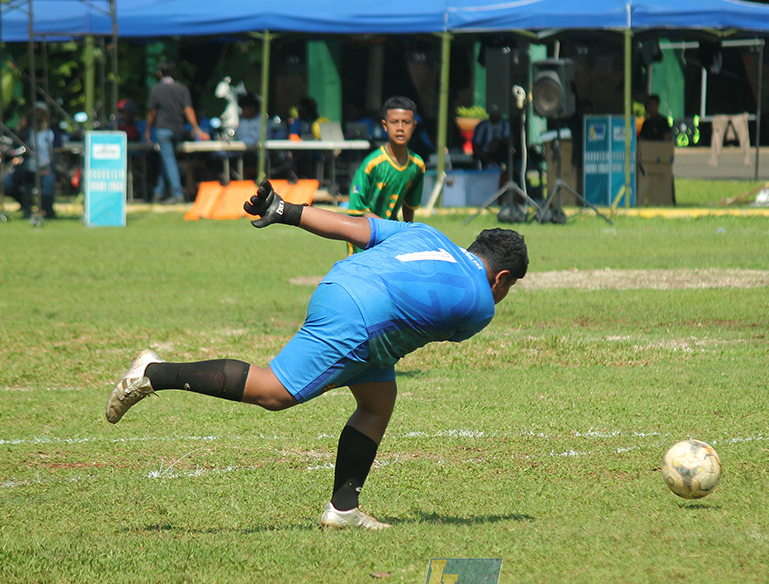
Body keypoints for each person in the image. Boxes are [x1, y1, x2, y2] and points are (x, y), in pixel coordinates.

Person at [105, 180, 528, 531]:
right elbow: (425, 329)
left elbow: (353, 228)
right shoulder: (481, 305)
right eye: (508, 288)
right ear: (502, 278)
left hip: (341, 285)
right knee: (273, 391)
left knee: (377, 404)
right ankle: (154, 371)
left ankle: (343, 509)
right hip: (362, 317)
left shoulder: (430, 234)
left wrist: (284, 210)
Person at [346, 96, 425, 254]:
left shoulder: (417, 165)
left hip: (392, 239)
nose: (400, 127)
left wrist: (408, 234)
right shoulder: (372, 164)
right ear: (385, 125)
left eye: (406, 122)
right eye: (394, 122)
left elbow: (409, 205)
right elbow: (356, 210)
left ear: (414, 126)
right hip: (364, 236)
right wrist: (393, 229)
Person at [145, 60, 209, 204]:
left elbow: (152, 112)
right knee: (167, 158)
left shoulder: (156, 89)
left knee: (168, 159)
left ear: (159, 73)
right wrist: (197, 129)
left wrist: (148, 129)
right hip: (178, 129)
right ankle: (159, 191)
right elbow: (188, 110)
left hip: (162, 128)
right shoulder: (182, 88)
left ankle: (177, 192)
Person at [4, 102, 56, 221]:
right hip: (27, 169)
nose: (37, 118)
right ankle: (25, 206)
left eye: (41, 114)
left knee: (48, 183)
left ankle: (47, 211)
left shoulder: (51, 133)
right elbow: (14, 146)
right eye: (35, 114)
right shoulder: (27, 132)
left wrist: (48, 168)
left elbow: (56, 154)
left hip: (45, 169)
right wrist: (19, 129)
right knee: (6, 183)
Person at [471, 103, 510, 168]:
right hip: (484, 155)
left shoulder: (505, 125)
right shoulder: (482, 126)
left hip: (500, 154)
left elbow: (508, 140)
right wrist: (487, 159)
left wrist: (497, 141)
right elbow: (475, 145)